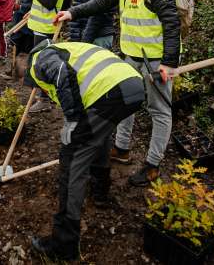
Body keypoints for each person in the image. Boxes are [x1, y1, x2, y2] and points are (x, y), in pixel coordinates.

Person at [55, 0, 181, 186]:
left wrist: (169, 61)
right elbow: (101, 2)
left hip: (155, 62)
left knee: (159, 111)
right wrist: (72, 13)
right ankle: (122, 149)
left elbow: (171, 22)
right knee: (125, 103)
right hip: (130, 57)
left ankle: (153, 165)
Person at [23, 40, 145, 261]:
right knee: (98, 136)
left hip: (110, 92)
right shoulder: (71, 48)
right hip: (132, 86)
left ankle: (64, 244)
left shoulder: (39, 60)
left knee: (72, 159)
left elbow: (61, 73)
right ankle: (100, 191)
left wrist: (72, 120)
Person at [26, 0, 70, 112]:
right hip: (40, 29)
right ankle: (44, 96)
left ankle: (44, 99)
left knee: (42, 65)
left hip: (46, 31)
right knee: (39, 63)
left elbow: (50, 4)